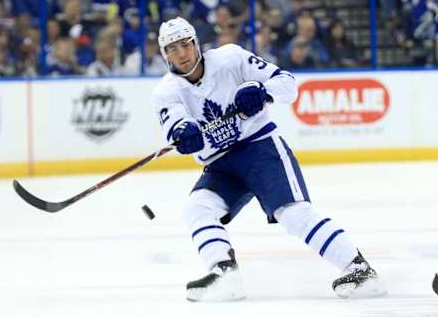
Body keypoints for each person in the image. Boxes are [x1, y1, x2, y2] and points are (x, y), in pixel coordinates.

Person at [150, 17, 386, 302]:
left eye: (185, 44)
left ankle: (359, 269)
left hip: (260, 148)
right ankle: (226, 275)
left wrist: (264, 93)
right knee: (197, 208)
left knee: (293, 213)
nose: (181, 53)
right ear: (165, 56)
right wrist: (184, 133)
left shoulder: (231, 58)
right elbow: (176, 126)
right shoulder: (166, 91)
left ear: (196, 43)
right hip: (220, 165)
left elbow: (287, 83)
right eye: (172, 49)